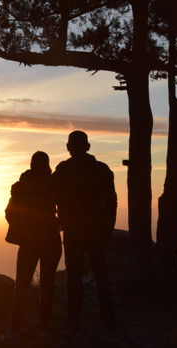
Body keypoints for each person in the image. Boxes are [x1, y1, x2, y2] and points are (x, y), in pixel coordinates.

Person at [52, 131, 117, 336]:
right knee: (101, 274)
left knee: (74, 276)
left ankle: (73, 321)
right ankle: (109, 320)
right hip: (98, 230)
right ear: (88, 147)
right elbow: (112, 201)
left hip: (73, 231)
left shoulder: (63, 169)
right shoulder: (103, 169)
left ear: (68, 147)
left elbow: (49, 194)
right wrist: (109, 227)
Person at [0, 151, 62, 345]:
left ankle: (14, 332)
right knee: (47, 286)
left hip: (29, 242)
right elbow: (65, 208)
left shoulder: (20, 186)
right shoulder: (54, 184)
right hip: (51, 240)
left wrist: (23, 229)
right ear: (47, 164)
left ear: (31, 164)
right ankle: (43, 331)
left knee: (22, 287)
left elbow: (10, 213)